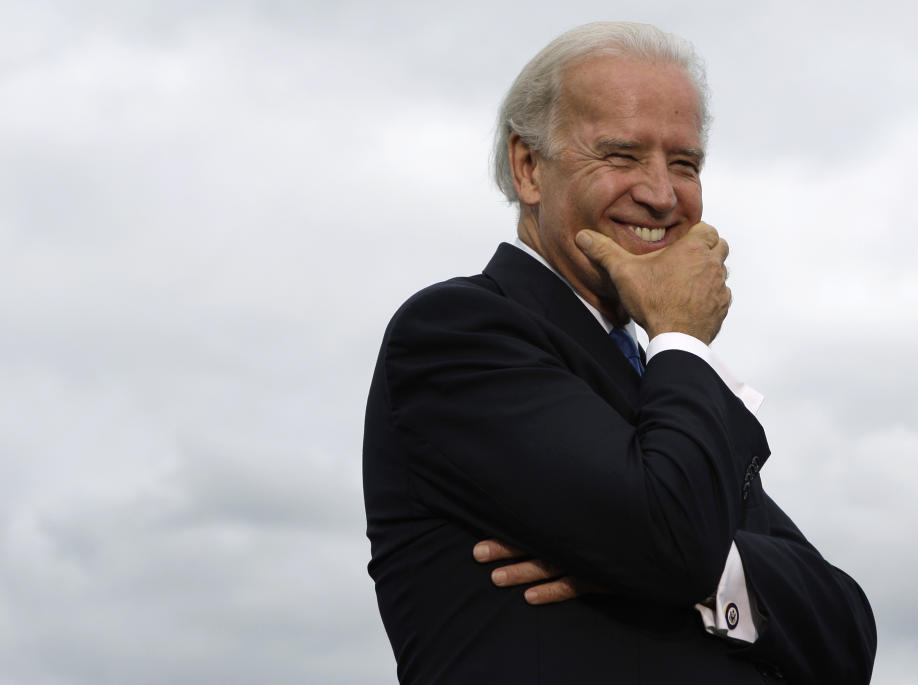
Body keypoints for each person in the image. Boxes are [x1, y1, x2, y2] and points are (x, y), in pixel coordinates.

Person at [363, 21, 876, 684]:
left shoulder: (660, 376)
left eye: (684, 164)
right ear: (528, 168)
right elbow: (670, 539)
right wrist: (682, 335)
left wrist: (690, 567)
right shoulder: (458, 332)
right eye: (622, 156)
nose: (662, 195)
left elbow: (845, 632)